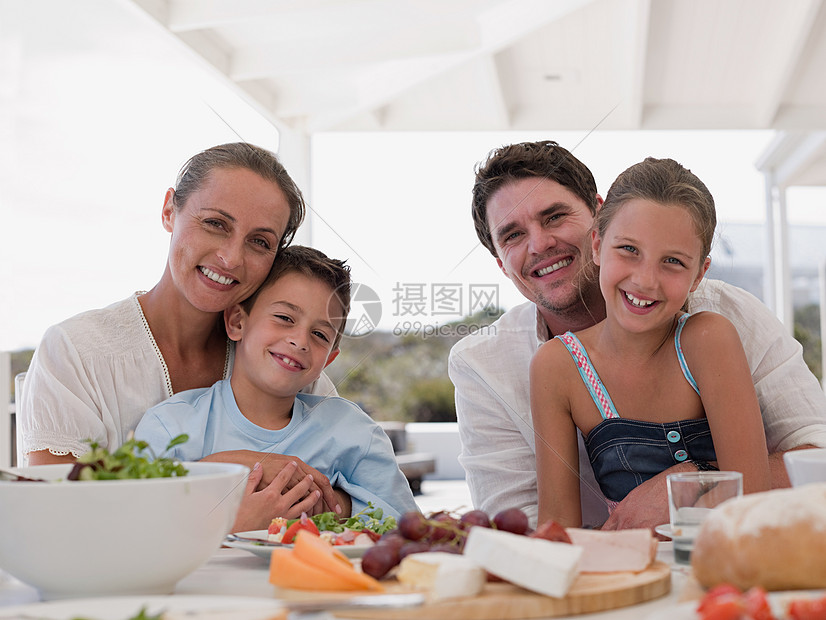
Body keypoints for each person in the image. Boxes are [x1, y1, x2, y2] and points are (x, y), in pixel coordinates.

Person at [448, 140, 826, 530]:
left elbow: (808, 466)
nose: (540, 244)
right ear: (500, 262)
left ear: (597, 219)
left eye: (554, 217)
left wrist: (691, 490)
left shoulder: (718, 324)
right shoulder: (499, 365)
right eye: (512, 235)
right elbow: (531, 530)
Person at [20, 142, 342, 519]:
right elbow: (57, 516)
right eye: (215, 224)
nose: (231, 257)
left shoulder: (287, 361)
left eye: (259, 242)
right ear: (169, 210)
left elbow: (354, 494)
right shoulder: (76, 352)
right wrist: (225, 490)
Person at [530, 157, 771, 527]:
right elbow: (557, 531)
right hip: (627, 574)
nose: (645, 280)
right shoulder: (558, 366)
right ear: (596, 245)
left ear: (698, 275)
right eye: (628, 249)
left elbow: (751, 502)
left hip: (726, 569)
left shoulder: (708, 341)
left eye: (672, 261)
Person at [136, 246, 419, 530]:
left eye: (320, 335)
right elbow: (136, 521)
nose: (300, 341)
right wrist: (235, 468)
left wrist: (329, 506)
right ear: (237, 322)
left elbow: (405, 524)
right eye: (285, 318)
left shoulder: (351, 431)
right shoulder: (171, 426)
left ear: (329, 359)